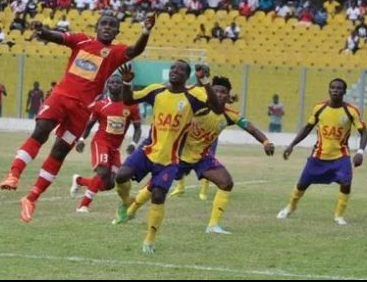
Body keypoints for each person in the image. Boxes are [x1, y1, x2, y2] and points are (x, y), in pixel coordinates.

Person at [0, 13, 156, 224]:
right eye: (104, 24)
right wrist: (43, 31)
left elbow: (136, 50)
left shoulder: (115, 52)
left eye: (112, 26)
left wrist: (146, 30)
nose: (107, 28)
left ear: (117, 32)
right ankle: (14, 174)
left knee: (59, 151)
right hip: (60, 97)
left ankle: (31, 198)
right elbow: (59, 37)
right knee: (41, 130)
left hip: (83, 110)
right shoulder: (81, 40)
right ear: (96, 27)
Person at [112, 61, 222, 253]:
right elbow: (129, 100)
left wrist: (205, 81)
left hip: (170, 159)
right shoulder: (157, 90)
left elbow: (218, 108)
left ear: (187, 76)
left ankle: (149, 242)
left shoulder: (193, 95)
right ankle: (125, 203)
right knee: (121, 176)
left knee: (158, 195)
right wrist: (127, 83)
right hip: (148, 150)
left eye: (180, 69)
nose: (175, 71)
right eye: (172, 68)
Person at [154, 75, 275, 234]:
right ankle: (130, 208)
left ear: (227, 95)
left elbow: (250, 128)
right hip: (179, 155)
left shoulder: (230, 115)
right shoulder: (198, 107)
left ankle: (213, 225)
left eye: (223, 92)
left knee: (226, 183)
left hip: (202, 157)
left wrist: (265, 141)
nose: (219, 94)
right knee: (155, 187)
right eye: (216, 90)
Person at [277, 78, 367, 225]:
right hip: (319, 155)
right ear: (329, 90)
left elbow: (364, 132)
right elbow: (307, 128)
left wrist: (360, 152)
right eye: (332, 87)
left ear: (344, 92)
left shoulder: (351, 111)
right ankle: (290, 207)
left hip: (341, 156)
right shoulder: (319, 108)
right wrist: (292, 145)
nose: (335, 90)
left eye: (339, 88)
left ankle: (339, 216)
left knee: (346, 182)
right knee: (302, 184)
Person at [71, 74, 142, 212]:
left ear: (123, 85)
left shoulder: (131, 106)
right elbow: (89, 125)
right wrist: (81, 139)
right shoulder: (100, 105)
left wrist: (133, 144)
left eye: (117, 83)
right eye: (111, 82)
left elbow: (138, 128)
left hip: (115, 148)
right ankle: (83, 205)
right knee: (102, 172)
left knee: (109, 183)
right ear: (108, 86)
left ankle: (79, 181)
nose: (114, 85)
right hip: (101, 142)